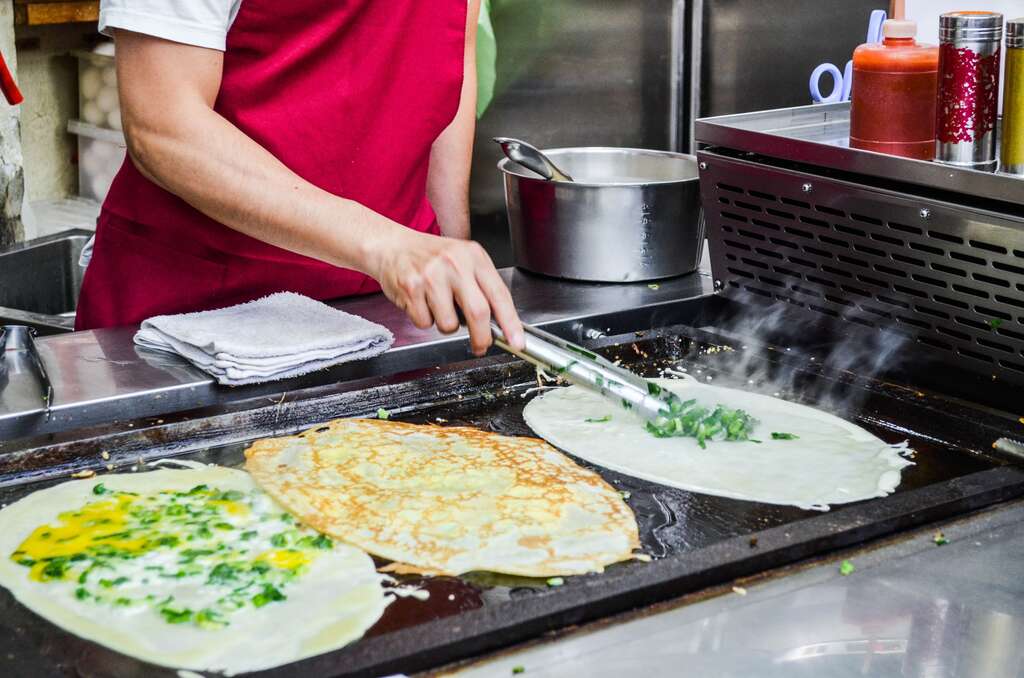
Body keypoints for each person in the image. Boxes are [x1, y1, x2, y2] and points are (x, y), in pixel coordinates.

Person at [75, 0, 525, 356]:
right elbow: (163, 126)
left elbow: (446, 53)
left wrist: (450, 261)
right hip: (199, 327)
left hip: (388, 319)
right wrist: (387, 245)